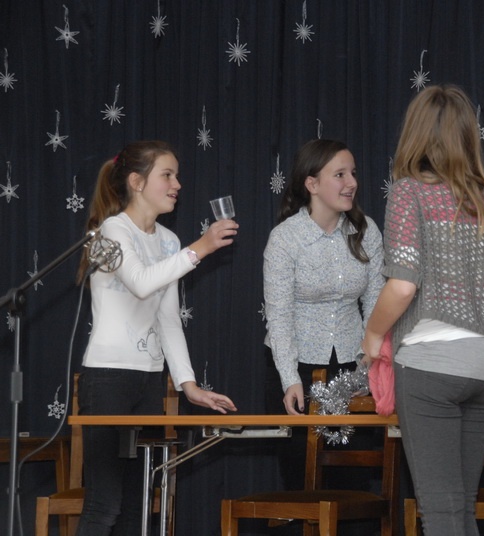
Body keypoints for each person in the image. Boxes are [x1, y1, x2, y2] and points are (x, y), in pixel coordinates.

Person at [361, 85, 484, 536]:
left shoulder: (409, 192)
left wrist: (373, 334)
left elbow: (403, 283)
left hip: (432, 366)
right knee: (462, 508)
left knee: (441, 513)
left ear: (414, 133)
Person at [75, 140, 238, 535]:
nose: (177, 184)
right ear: (136, 181)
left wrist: (188, 385)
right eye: (168, 175)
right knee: (105, 503)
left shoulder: (168, 241)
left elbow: (168, 320)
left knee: (138, 503)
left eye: (176, 176)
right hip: (107, 378)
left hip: (148, 379)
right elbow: (141, 282)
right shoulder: (113, 229)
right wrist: (200, 248)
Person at [262, 138, 384, 416]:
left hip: (354, 365)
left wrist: (368, 366)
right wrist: (290, 379)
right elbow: (279, 316)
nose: (352, 182)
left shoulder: (367, 232)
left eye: (353, 173)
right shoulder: (285, 238)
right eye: (340, 174)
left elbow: (376, 302)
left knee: (359, 444)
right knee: (298, 445)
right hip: (295, 367)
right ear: (312, 184)